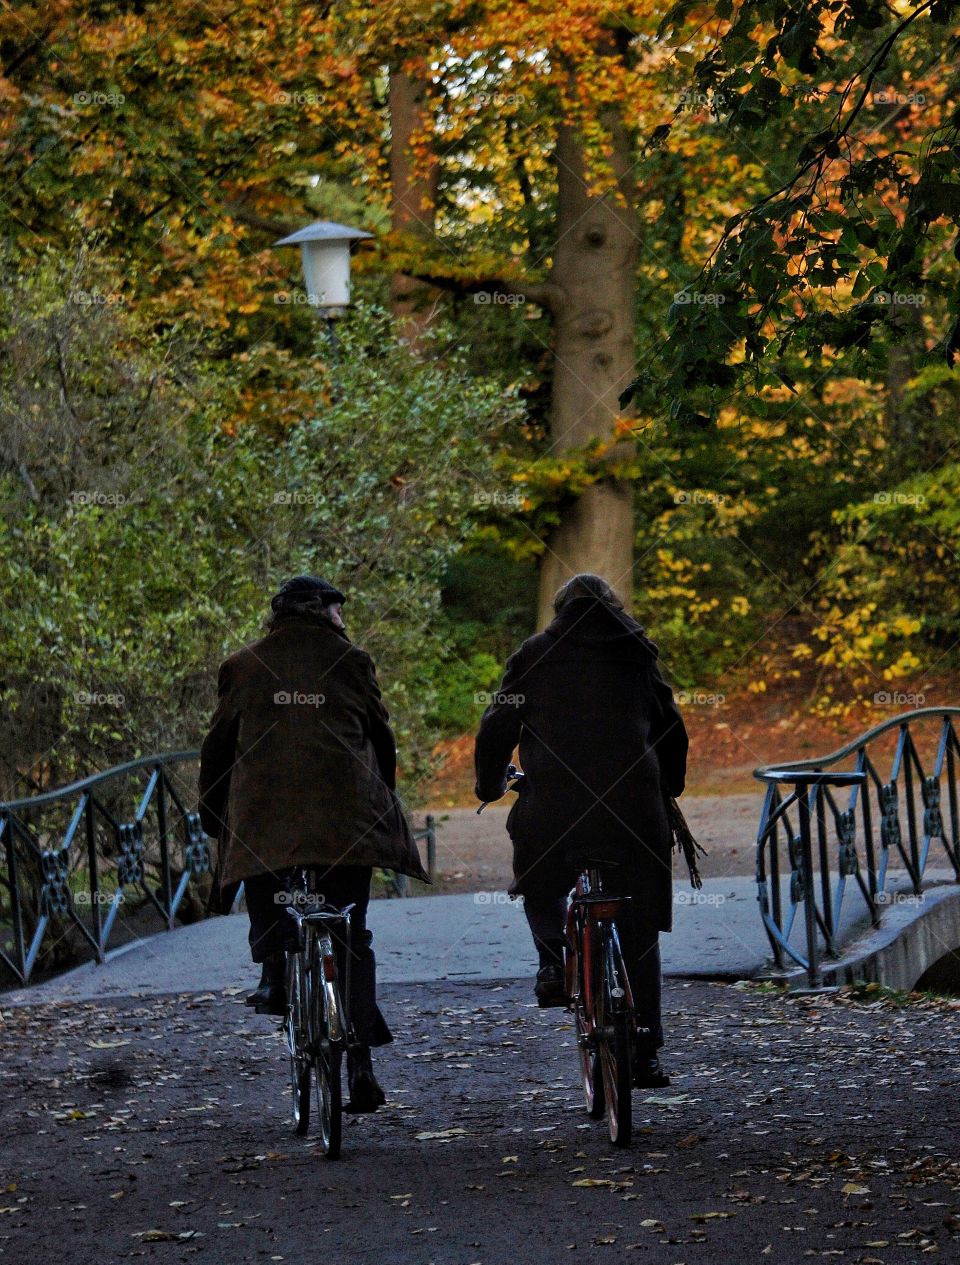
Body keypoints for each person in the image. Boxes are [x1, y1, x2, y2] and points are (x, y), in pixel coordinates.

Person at [198, 574, 428, 1112]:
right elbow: (380, 735)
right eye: (337, 610)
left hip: (267, 817)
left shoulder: (243, 664)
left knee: (265, 875)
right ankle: (362, 1067)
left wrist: (214, 812)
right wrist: (384, 794)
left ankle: (274, 972)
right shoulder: (352, 661)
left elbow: (218, 747)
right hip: (347, 820)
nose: (342, 620)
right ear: (322, 612)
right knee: (351, 932)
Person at [473, 573, 688, 1088]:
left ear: (560, 609)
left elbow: (497, 726)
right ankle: (646, 1051)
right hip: (634, 811)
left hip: (555, 808)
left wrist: (489, 785)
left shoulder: (535, 653)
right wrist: (669, 786)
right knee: (638, 926)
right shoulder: (637, 652)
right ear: (612, 607)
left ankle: (552, 961)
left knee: (539, 878)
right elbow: (671, 727)